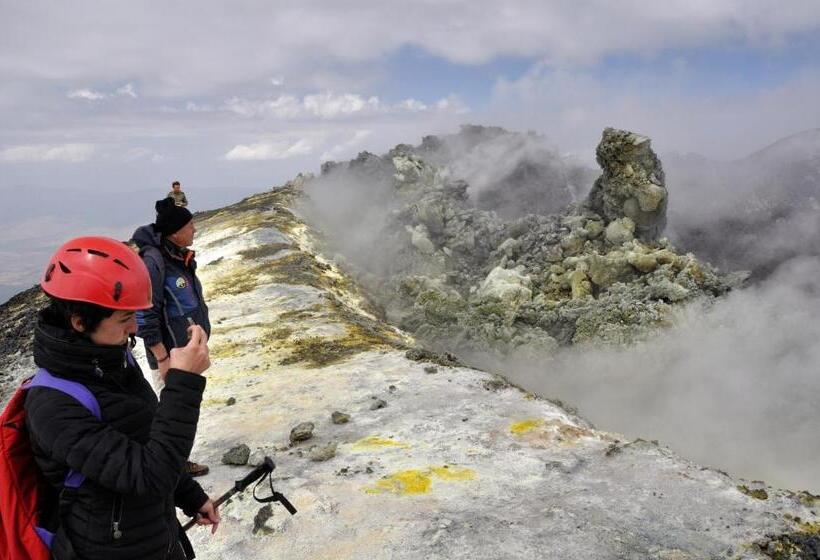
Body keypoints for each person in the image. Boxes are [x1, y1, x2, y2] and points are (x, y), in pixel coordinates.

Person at [25, 236, 220, 560]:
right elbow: (148, 475)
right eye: (124, 318)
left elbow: (148, 438)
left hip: (158, 536)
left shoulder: (112, 359)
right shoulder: (52, 405)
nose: (134, 328)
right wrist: (184, 382)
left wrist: (191, 496)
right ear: (79, 322)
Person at [131, 197, 211, 477]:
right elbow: (145, 314)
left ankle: (176, 462)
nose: (194, 229)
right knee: (171, 410)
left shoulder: (177, 255)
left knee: (182, 405)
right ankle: (173, 467)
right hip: (169, 354)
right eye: (190, 225)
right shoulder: (154, 262)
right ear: (175, 232)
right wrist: (162, 357)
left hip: (183, 351)